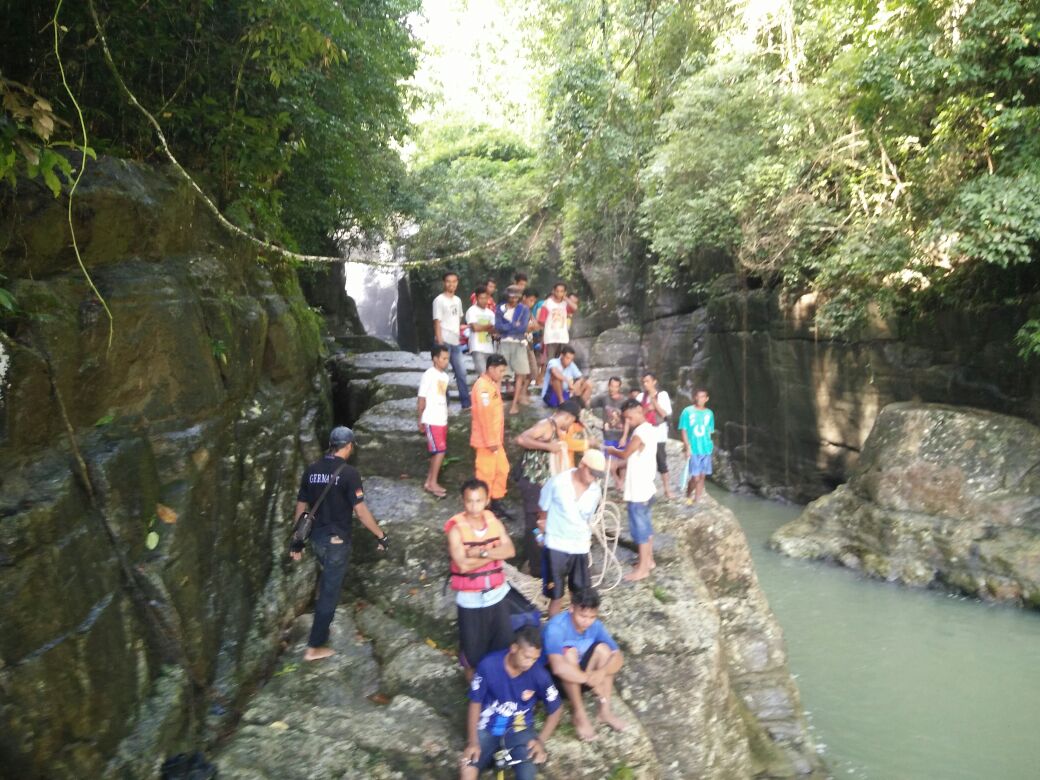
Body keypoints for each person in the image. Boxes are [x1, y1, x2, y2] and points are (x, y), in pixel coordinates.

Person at [291, 426, 389, 661]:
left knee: (326, 582)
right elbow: (361, 511)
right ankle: (314, 647)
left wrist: (297, 542)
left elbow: (301, 507)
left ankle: (319, 628)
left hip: (316, 540)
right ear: (348, 446)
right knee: (329, 593)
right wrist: (381, 535)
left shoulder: (312, 470)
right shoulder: (349, 473)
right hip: (336, 542)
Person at [460, 626, 562, 780]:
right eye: (526, 657)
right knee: (468, 767)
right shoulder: (488, 665)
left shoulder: (539, 675)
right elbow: (475, 702)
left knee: (527, 774)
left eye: (535, 659)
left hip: (519, 730)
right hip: (488, 727)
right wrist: (473, 742)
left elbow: (556, 709)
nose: (530, 663)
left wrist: (540, 741)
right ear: (514, 648)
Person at [446, 478, 517, 679]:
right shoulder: (456, 529)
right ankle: (476, 697)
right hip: (470, 600)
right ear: (463, 501)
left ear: (486, 501)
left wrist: (481, 554)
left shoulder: (494, 522)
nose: (474, 506)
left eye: (479, 501)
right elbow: (462, 565)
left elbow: (510, 550)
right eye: (470, 501)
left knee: (503, 646)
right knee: (472, 653)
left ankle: (497, 691)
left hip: (497, 595)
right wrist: (495, 552)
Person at [542, 587, 626, 741]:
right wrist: (590, 680)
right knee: (569, 653)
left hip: (581, 677)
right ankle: (579, 714)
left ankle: (604, 711)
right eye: (582, 616)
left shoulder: (596, 626)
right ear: (571, 609)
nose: (587, 621)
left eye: (592, 617)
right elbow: (557, 667)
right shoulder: (556, 627)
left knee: (604, 650)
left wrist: (602, 671)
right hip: (554, 682)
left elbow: (618, 657)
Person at [514, 400, 583, 578]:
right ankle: (535, 567)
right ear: (568, 417)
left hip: (542, 485)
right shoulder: (545, 425)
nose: (570, 426)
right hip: (532, 484)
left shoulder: (554, 428)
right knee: (534, 526)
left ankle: (539, 560)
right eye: (572, 422)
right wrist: (548, 447)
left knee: (542, 523)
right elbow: (521, 439)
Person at [538, 450, 605, 618]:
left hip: (580, 546)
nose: (594, 478)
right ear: (582, 465)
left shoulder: (596, 491)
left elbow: (588, 518)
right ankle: (554, 631)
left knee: (581, 594)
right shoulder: (558, 482)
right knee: (556, 595)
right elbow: (542, 511)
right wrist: (540, 534)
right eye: (592, 473)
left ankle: (576, 629)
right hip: (556, 545)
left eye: (598, 475)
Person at [605, 400, 657, 581]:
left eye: (629, 416)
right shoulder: (650, 429)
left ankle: (643, 569)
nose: (628, 421)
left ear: (639, 410)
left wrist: (611, 450)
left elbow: (625, 453)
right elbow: (635, 458)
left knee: (640, 531)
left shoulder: (640, 433)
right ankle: (648, 561)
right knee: (647, 527)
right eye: (625, 418)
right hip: (647, 487)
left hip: (639, 491)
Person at [471, 353, 512, 519]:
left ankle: (496, 502)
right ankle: (484, 508)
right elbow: (485, 416)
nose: (502, 374)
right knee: (485, 474)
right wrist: (491, 441)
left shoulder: (491, 385)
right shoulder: (483, 388)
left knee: (502, 469)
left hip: (495, 440)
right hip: (487, 442)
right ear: (491, 369)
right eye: (500, 371)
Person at [433, 271, 471, 411]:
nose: (451, 284)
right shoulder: (439, 300)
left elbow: (458, 320)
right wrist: (440, 342)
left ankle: (466, 404)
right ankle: (444, 404)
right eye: (449, 281)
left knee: (461, 373)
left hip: (456, 343)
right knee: (442, 374)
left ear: (457, 283)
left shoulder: (458, 300)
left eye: (454, 281)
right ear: (444, 283)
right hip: (443, 341)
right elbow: (437, 322)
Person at [418, 344, 451, 498]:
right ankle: (433, 483)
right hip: (431, 419)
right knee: (440, 451)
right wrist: (420, 419)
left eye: (447, 359)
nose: (446, 361)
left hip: (441, 419)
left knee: (436, 451)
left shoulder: (445, 377)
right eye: (443, 358)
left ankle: (429, 481)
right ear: (435, 359)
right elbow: (422, 398)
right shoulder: (428, 375)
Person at [636, 372, 675, 499]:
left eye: (648, 381)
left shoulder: (662, 395)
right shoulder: (641, 397)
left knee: (661, 460)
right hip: (644, 432)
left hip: (658, 433)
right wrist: (648, 408)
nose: (645, 384)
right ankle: (646, 488)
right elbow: (637, 414)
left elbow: (665, 414)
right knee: (644, 460)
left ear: (654, 382)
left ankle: (667, 489)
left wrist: (654, 403)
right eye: (644, 382)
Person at [496, 285, 532, 415]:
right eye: (511, 295)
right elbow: (498, 326)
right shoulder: (500, 308)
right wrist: (512, 326)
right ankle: (497, 402)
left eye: (516, 296)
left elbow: (522, 328)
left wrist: (508, 327)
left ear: (520, 297)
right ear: (508, 295)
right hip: (505, 343)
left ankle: (514, 404)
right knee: (500, 374)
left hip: (519, 343)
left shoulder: (524, 309)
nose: (513, 298)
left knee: (520, 374)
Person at [589, 377, 626, 490]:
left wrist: (625, 435)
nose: (613, 389)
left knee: (622, 461)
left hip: (621, 435)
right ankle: (617, 481)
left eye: (616, 386)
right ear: (608, 386)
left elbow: (629, 418)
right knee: (609, 461)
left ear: (619, 387)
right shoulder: (603, 398)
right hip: (608, 435)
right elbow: (589, 403)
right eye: (611, 386)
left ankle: (622, 482)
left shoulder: (624, 401)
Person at [679, 389, 715, 504]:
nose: (700, 399)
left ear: (707, 399)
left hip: (706, 449)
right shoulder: (687, 411)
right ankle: (688, 494)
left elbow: (709, 431)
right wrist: (687, 446)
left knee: (702, 476)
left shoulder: (709, 413)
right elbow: (684, 430)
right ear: (695, 398)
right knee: (695, 477)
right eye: (698, 397)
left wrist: (710, 446)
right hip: (693, 448)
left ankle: (697, 500)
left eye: (703, 397)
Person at [537, 282, 577, 360]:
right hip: (550, 338)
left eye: (562, 291)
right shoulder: (547, 303)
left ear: (565, 292)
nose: (559, 293)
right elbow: (541, 321)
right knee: (550, 361)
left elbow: (574, 308)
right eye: (557, 291)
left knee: (564, 360)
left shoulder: (565, 304)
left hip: (563, 338)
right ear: (553, 291)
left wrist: (565, 298)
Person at [466, 285, 497, 376]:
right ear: (476, 298)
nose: (483, 301)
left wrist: (485, 327)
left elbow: (494, 330)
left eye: (485, 298)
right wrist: (489, 326)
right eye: (481, 298)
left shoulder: (490, 313)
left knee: (489, 376)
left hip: (489, 348)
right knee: (483, 374)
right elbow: (475, 328)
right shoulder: (471, 311)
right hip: (477, 347)